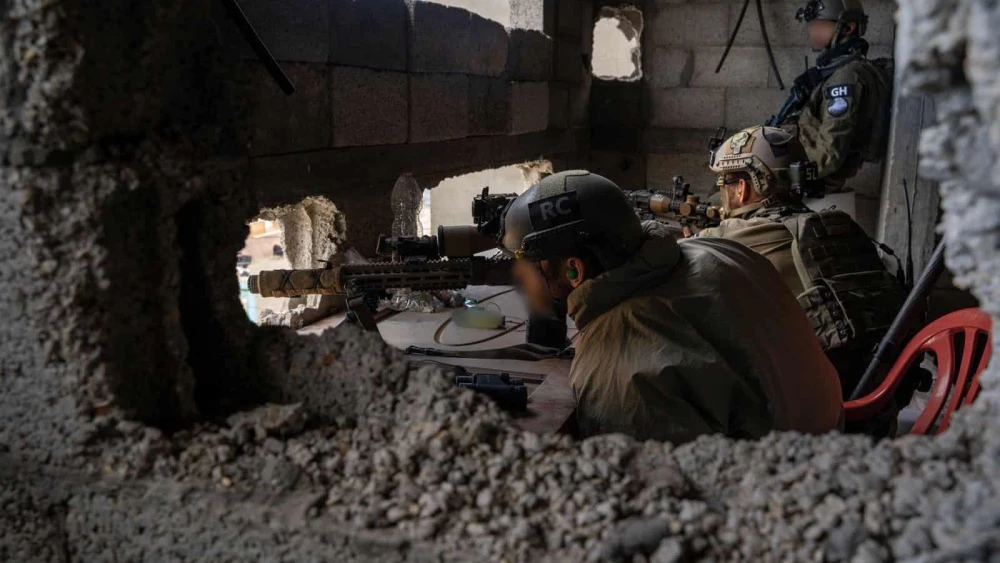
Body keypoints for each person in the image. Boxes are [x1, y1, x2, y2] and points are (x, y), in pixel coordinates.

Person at [499, 170, 843, 443]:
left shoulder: (619, 378)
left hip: (785, 499)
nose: (520, 277)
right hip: (828, 438)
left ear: (574, 270)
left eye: (529, 265)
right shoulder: (720, 250)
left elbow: (668, 500)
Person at [699, 126, 905, 397]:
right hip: (874, 389)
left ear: (742, 188)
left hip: (809, 402)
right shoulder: (837, 224)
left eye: (724, 184)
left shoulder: (731, 237)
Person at [767, 0, 891, 193]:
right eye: (812, 26)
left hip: (809, 182)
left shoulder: (846, 79)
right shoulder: (834, 71)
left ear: (848, 28)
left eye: (821, 26)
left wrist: (773, 176)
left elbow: (828, 156)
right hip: (799, 170)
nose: (813, 32)